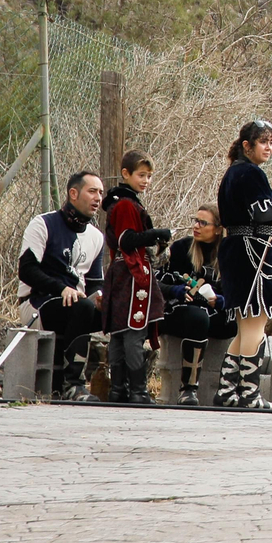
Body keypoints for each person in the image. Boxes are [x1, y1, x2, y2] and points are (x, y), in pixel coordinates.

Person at [216, 120, 272, 409]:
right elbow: (263, 212)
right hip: (253, 253)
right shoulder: (250, 173)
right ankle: (250, 395)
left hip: (236, 250)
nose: (269, 148)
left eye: (271, 143)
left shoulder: (233, 173)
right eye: (263, 142)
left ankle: (228, 391)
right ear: (247, 146)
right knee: (255, 322)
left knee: (244, 328)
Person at [17, 171, 107, 402]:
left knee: (120, 312)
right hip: (38, 302)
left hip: (77, 305)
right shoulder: (43, 223)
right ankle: (73, 385)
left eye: (101, 192)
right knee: (82, 307)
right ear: (73, 193)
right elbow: (27, 270)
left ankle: (124, 388)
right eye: (92, 191)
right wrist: (61, 289)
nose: (98, 198)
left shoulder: (96, 236)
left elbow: (96, 281)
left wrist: (101, 296)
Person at [100, 150, 173, 404]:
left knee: (120, 333)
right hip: (132, 274)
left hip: (120, 273)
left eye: (149, 176)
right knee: (133, 332)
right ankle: (138, 392)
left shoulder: (122, 202)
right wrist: (155, 234)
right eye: (141, 175)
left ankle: (118, 390)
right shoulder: (126, 205)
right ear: (125, 174)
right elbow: (127, 239)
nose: (146, 181)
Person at [154, 203, 237, 405]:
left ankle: (230, 388)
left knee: (234, 322)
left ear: (218, 228)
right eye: (195, 221)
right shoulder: (181, 248)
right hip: (176, 310)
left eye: (203, 222)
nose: (196, 226)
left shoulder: (228, 254)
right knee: (198, 318)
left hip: (211, 311)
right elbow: (156, 281)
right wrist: (175, 290)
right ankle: (188, 389)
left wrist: (222, 300)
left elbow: (237, 291)